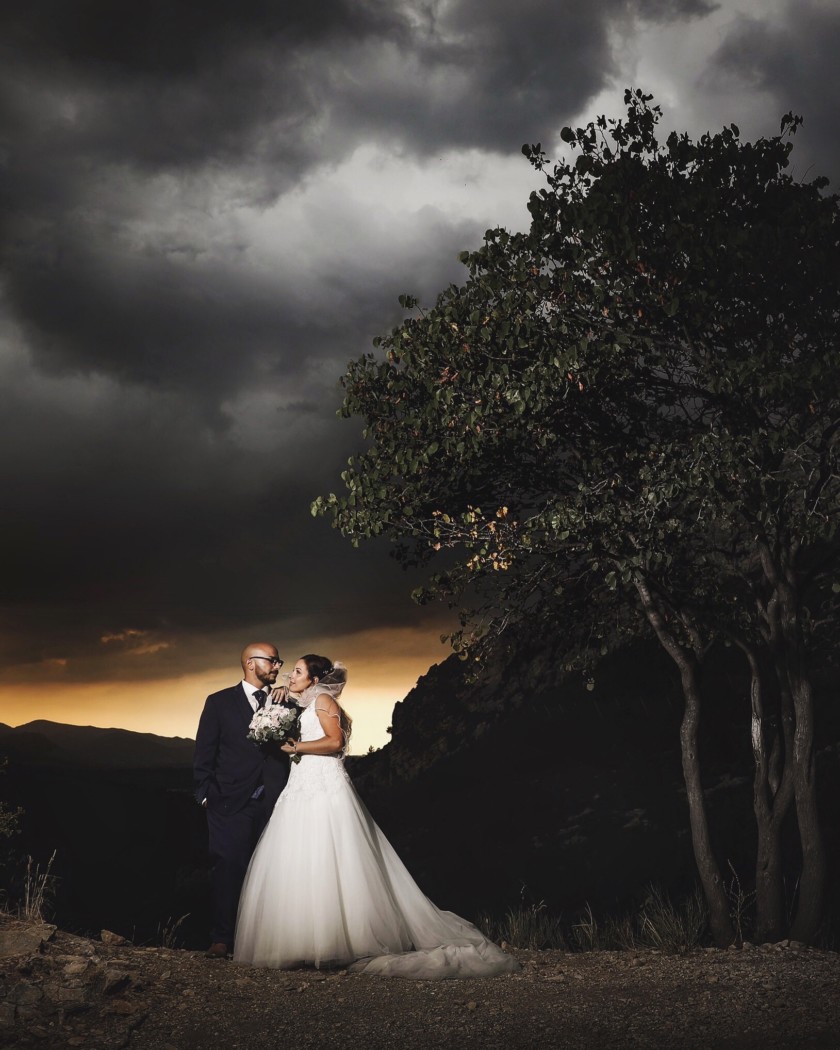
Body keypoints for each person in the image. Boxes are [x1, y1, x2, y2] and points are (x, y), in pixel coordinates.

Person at [234, 654, 519, 979]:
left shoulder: (325, 701)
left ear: (314, 680)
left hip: (325, 785)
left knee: (334, 855)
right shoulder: (304, 705)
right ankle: (304, 942)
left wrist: (298, 747)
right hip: (301, 784)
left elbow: (336, 741)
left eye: (297, 672)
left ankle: (338, 942)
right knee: (303, 857)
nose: (290, 675)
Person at [193, 642, 291, 958]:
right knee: (228, 868)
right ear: (251, 663)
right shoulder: (219, 702)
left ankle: (268, 941)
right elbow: (205, 751)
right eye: (272, 660)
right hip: (228, 802)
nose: (278, 666)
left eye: (279, 661)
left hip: (277, 801)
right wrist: (205, 794)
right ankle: (222, 939)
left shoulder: (286, 702)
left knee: (274, 871)